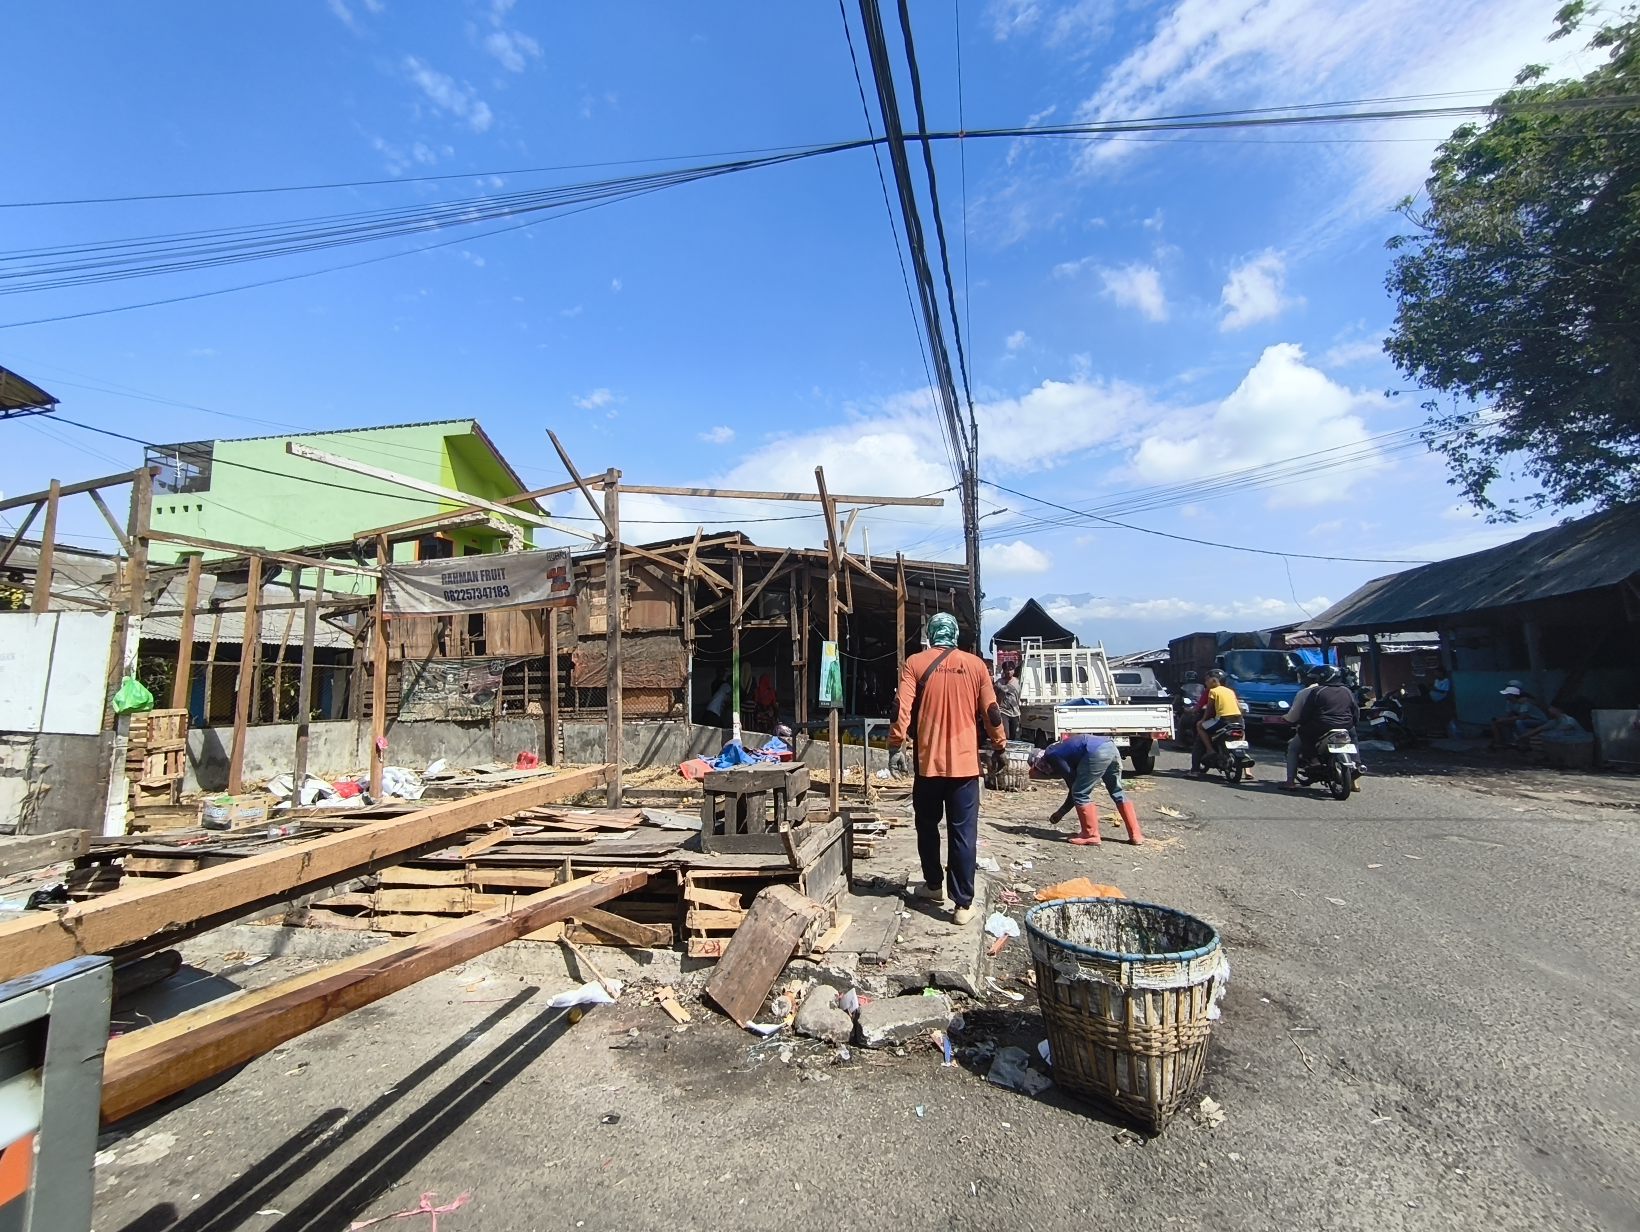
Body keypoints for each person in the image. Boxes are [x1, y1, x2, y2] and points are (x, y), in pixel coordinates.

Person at [889, 612, 1006, 927]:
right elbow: (992, 711)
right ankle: (962, 904)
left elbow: (901, 708)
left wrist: (895, 744)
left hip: (928, 765)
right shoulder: (976, 665)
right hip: (965, 767)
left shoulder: (915, 663)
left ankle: (933, 885)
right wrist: (1000, 745)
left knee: (927, 827)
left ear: (930, 634)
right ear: (955, 635)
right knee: (963, 833)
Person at [1028, 734, 1144, 846]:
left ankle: (1090, 835)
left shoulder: (1051, 755)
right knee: (1117, 791)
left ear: (1037, 764)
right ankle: (1136, 835)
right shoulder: (1056, 749)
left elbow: (1074, 788)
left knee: (1080, 793)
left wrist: (1061, 812)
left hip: (1095, 750)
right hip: (1109, 746)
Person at [1295, 664, 1359, 777]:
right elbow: (1355, 711)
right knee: (1353, 737)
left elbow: (1307, 712)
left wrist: (1301, 722)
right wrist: (1353, 724)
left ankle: (1314, 760)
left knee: (1304, 732)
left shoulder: (1317, 691)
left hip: (1322, 725)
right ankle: (1356, 761)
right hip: (1346, 725)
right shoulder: (1347, 691)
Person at [1190, 669, 1245, 777]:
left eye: (1207, 680)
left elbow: (1209, 709)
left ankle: (1209, 751)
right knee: (1241, 734)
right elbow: (1239, 707)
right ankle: (1246, 766)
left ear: (1214, 681)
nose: (1205, 683)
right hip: (1238, 720)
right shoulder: (1230, 691)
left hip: (1223, 720)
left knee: (1199, 726)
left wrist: (1203, 720)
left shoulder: (1213, 691)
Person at [1281, 666, 1325, 789]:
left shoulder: (1305, 692)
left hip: (1314, 728)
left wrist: (1286, 719)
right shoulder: (1338, 690)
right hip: (1344, 727)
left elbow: (1294, 715)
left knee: (1293, 749)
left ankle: (1290, 781)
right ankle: (1354, 782)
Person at [1490, 681, 1545, 749]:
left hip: (1538, 720)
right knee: (1498, 722)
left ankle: (1524, 743)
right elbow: (1509, 715)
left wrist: (1507, 719)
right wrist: (1501, 720)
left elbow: (1523, 716)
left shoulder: (1524, 701)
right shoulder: (1509, 701)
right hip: (1524, 718)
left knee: (1519, 722)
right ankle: (1503, 742)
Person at [995, 663, 1022, 741]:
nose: (1009, 672)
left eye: (1011, 669)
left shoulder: (1018, 682)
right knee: (1006, 734)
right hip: (1003, 711)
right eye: (1007, 670)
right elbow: (993, 694)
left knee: (1014, 735)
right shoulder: (999, 683)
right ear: (1003, 671)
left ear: (1013, 670)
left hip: (1015, 712)